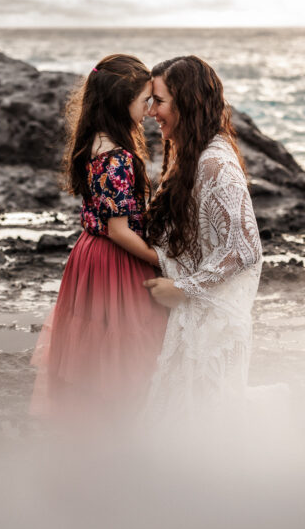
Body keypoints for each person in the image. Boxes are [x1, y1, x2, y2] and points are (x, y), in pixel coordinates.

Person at [30, 54, 168, 422]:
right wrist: (161, 261)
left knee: (93, 345)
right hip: (116, 259)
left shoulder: (94, 140)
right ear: (120, 103)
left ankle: (91, 426)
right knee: (126, 345)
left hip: (89, 255)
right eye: (144, 101)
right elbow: (119, 230)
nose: (150, 109)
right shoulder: (118, 157)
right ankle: (119, 426)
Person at [141, 55, 264, 416]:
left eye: (159, 101)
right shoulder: (190, 153)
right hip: (196, 319)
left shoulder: (216, 163)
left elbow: (245, 248)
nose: (151, 113)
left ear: (187, 102)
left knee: (208, 432)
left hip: (214, 327)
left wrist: (182, 288)